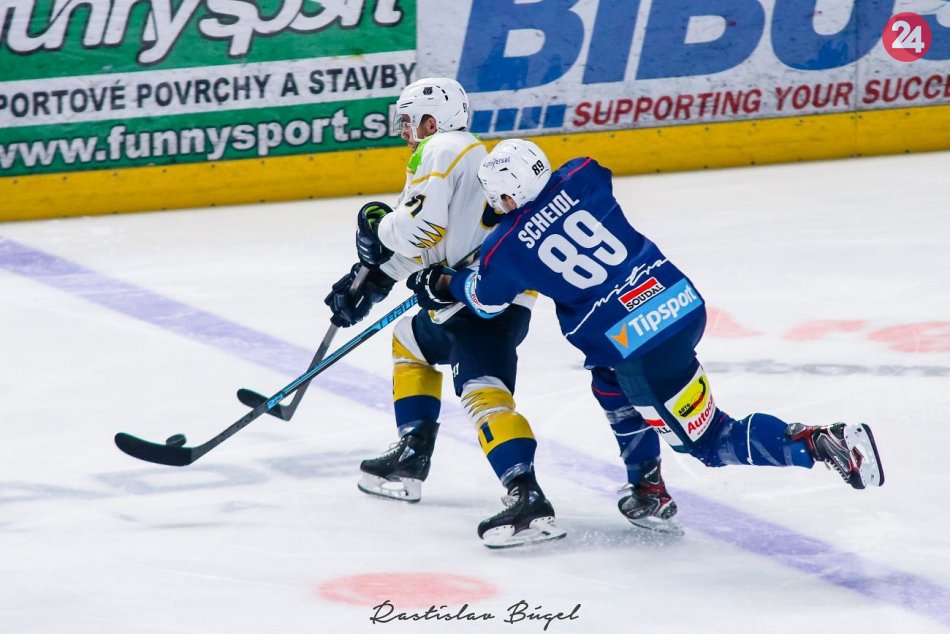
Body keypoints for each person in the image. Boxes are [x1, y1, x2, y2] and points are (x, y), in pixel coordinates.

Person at [405, 139, 885, 513]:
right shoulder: (583, 174)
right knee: (607, 382)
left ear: (508, 195)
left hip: (638, 343)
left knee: (710, 441)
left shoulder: (505, 247)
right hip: (678, 304)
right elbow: (578, 187)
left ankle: (819, 442)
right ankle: (647, 487)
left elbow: (485, 301)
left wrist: (442, 281)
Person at [323, 79, 565, 548]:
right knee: (410, 341)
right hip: (469, 296)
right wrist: (374, 279)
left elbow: (420, 229)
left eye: (409, 122)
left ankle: (527, 496)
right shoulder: (470, 156)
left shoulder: (442, 149)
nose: (404, 132)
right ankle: (411, 453)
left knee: (483, 395)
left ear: (432, 121)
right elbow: (440, 241)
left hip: (481, 301)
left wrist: (376, 226)